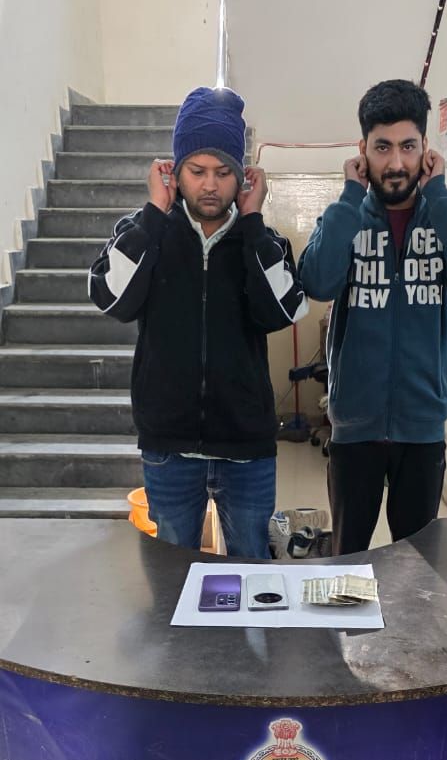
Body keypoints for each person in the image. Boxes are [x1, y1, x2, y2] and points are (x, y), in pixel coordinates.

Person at [89, 86, 308, 557]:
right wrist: (153, 213)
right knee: (172, 576)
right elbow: (112, 299)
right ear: (175, 171)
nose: (210, 185)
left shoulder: (261, 240)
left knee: (253, 570)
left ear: (242, 178)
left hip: (245, 448)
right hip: (169, 447)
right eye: (197, 171)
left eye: (223, 173)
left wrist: (252, 223)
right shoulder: (145, 232)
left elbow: (284, 310)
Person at [298, 79, 447, 554]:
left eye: (408, 146)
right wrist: (349, 198)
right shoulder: (345, 216)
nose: (395, 163)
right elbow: (318, 282)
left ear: (425, 149)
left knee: (418, 567)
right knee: (348, 559)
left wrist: (441, 197)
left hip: (421, 428)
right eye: (382, 147)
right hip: (354, 429)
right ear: (362, 151)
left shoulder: (442, 216)